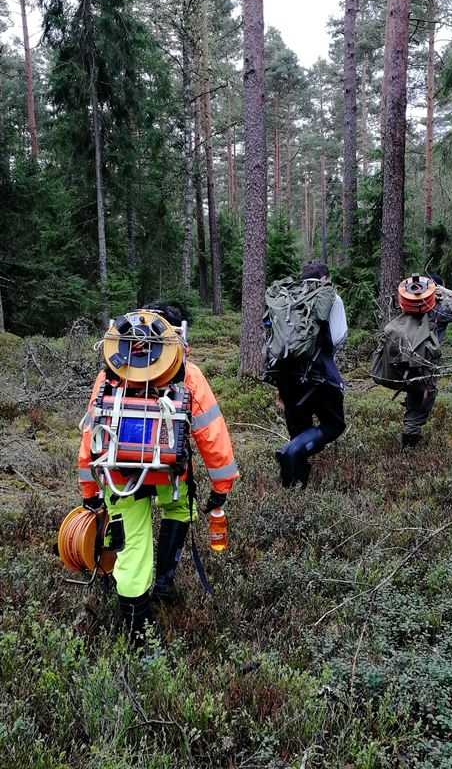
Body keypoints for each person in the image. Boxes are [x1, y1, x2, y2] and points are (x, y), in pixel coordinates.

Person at [77, 301, 238, 639]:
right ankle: (163, 580)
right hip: (170, 474)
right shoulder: (187, 374)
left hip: (120, 478)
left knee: (132, 549)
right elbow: (212, 435)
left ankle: (138, 633)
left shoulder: (110, 373)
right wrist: (221, 486)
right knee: (181, 508)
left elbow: (90, 439)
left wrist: (91, 494)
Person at [266, 261, 348, 488]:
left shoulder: (285, 299)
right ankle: (291, 453)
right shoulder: (330, 296)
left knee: (299, 428)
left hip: (285, 375)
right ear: (324, 277)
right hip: (319, 375)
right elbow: (338, 337)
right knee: (334, 424)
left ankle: (293, 491)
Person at [400, 272, 452, 448]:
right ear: (436, 290)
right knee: (422, 403)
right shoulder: (439, 311)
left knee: (414, 398)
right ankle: (408, 449)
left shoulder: (407, 307)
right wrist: (448, 292)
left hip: (405, 361)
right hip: (426, 365)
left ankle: (409, 434)